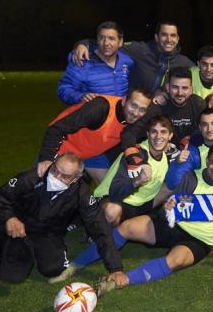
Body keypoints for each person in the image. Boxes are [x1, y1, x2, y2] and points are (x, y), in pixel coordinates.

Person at [93, 144, 213, 296]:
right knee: (127, 227)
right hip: (174, 225)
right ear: (207, 161)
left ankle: (120, 281)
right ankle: (76, 264)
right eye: (212, 162)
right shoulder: (192, 177)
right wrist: (167, 208)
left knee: (175, 261)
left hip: (199, 240)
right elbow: (169, 207)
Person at [0, 153, 124, 297]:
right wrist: (9, 218)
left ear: (76, 179)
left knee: (53, 268)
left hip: (47, 231)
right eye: (55, 170)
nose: (56, 177)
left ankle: (27, 246)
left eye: (64, 176)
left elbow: (100, 228)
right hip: (17, 223)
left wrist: (115, 268)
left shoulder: (82, 193)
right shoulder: (31, 177)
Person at [49, 117, 174, 283]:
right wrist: (137, 180)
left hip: (138, 205)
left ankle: (90, 226)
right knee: (112, 212)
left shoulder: (166, 155)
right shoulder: (136, 156)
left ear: (170, 136)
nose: (158, 136)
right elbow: (116, 193)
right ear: (147, 134)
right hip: (111, 199)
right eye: (154, 132)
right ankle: (80, 259)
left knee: (172, 186)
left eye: (163, 132)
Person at [38, 87, 152, 183]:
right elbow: (56, 129)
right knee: (44, 184)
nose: (135, 113)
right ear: (124, 101)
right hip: (63, 148)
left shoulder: (138, 120)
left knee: (110, 187)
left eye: (142, 109)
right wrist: (46, 158)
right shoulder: (100, 108)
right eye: (133, 106)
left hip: (91, 154)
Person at [71, 20, 194, 93]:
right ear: (156, 37)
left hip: (159, 113)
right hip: (132, 109)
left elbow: (203, 77)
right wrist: (84, 44)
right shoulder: (140, 50)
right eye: (164, 35)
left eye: (173, 36)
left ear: (177, 39)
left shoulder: (185, 63)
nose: (168, 40)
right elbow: (112, 44)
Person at [120, 67, 206, 151]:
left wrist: (192, 138)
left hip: (189, 153)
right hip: (159, 155)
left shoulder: (198, 104)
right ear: (168, 87)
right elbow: (129, 134)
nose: (180, 93)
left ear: (191, 89)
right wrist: (133, 154)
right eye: (175, 87)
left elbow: (205, 129)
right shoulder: (157, 107)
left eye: (185, 88)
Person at [57, 21, 133, 105]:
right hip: (93, 116)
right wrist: (80, 96)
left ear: (120, 41)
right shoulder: (82, 62)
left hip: (119, 116)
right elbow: (64, 89)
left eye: (111, 39)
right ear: (97, 39)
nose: (106, 43)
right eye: (101, 38)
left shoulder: (127, 61)